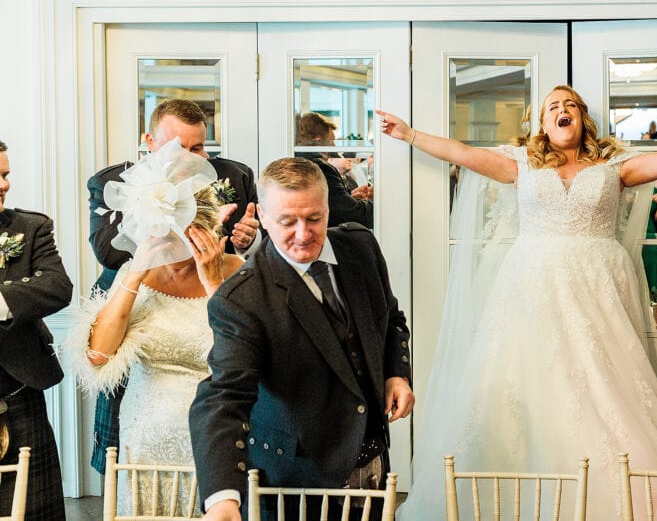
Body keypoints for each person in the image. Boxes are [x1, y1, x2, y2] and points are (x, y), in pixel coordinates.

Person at [376, 84, 657, 518]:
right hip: (530, 286)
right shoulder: (522, 164)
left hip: (597, 287)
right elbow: (463, 153)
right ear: (542, 124)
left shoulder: (612, 165)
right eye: (553, 107)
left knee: (603, 381)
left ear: (582, 120)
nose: (563, 111)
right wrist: (410, 135)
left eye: (570, 106)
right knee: (524, 381)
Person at [189, 157, 414, 521]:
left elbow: (390, 320)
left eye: (314, 218)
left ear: (328, 208)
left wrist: (396, 373)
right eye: (287, 221)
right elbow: (222, 396)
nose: (303, 234)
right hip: (293, 481)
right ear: (262, 216)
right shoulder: (242, 297)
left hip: (372, 462)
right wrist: (222, 498)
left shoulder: (361, 247)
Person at [66, 139, 244, 515]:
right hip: (145, 434)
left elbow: (248, 353)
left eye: (180, 235)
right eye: (160, 233)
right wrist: (137, 272)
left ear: (203, 227)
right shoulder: (137, 270)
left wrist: (212, 282)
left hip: (219, 436)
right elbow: (98, 355)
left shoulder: (237, 272)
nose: (172, 248)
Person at [86, 98, 260, 474]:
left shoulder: (236, 175)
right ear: (149, 140)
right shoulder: (112, 182)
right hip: (141, 302)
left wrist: (248, 243)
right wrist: (154, 248)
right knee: (127, 413)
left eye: (198, 147)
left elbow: (252, 242)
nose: (189, 158)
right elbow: (106, 252)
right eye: (176, 147)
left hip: (209, 291)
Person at [0, 140, 72, 521]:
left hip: (17, 392)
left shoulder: (29, 228)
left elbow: (58, 287)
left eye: (6, 174)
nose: (4, 185)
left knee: (33, 511)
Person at [295, 111, 373, 228]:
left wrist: (349, 199)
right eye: (331, 141)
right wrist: (375, 201)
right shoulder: (320, 169)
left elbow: (334, 205)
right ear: (318, 142)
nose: (334, 147)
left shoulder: (297, 163)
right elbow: (352, 215)